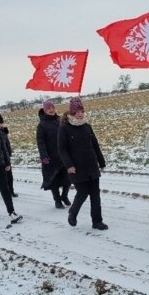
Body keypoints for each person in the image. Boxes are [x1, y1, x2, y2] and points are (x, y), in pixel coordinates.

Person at [58, 97, 107, 230]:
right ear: (72, 112)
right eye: (77, 111)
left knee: (95, 195)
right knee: (83, 192)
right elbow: (62, 149)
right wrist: (69, 165)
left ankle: (97, 221)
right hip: (76, 168)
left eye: (81, 110)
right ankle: (73, 212)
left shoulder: (87, 126)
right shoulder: (64, 128)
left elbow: (95, 145)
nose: (80, 113)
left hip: (91, 165)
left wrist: (101, 162)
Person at [36, 100, 70, 208]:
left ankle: (64, 196)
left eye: (52, 107)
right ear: (45, 110)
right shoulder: (42, 125)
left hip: (64, 155)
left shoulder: (60, 120)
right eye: (48, 108)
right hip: (51, 157)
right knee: (54, 180)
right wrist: (44, 156)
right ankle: (57, 200)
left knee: (68, 178)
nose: (51, 110)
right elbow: (40, 142)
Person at [0, 113, 17, 197]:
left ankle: (11, 191)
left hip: (5, 157)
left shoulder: (3, 132)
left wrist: (9, 153)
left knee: (9, 175)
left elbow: (7, 143)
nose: (0, 125)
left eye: (1, 123)